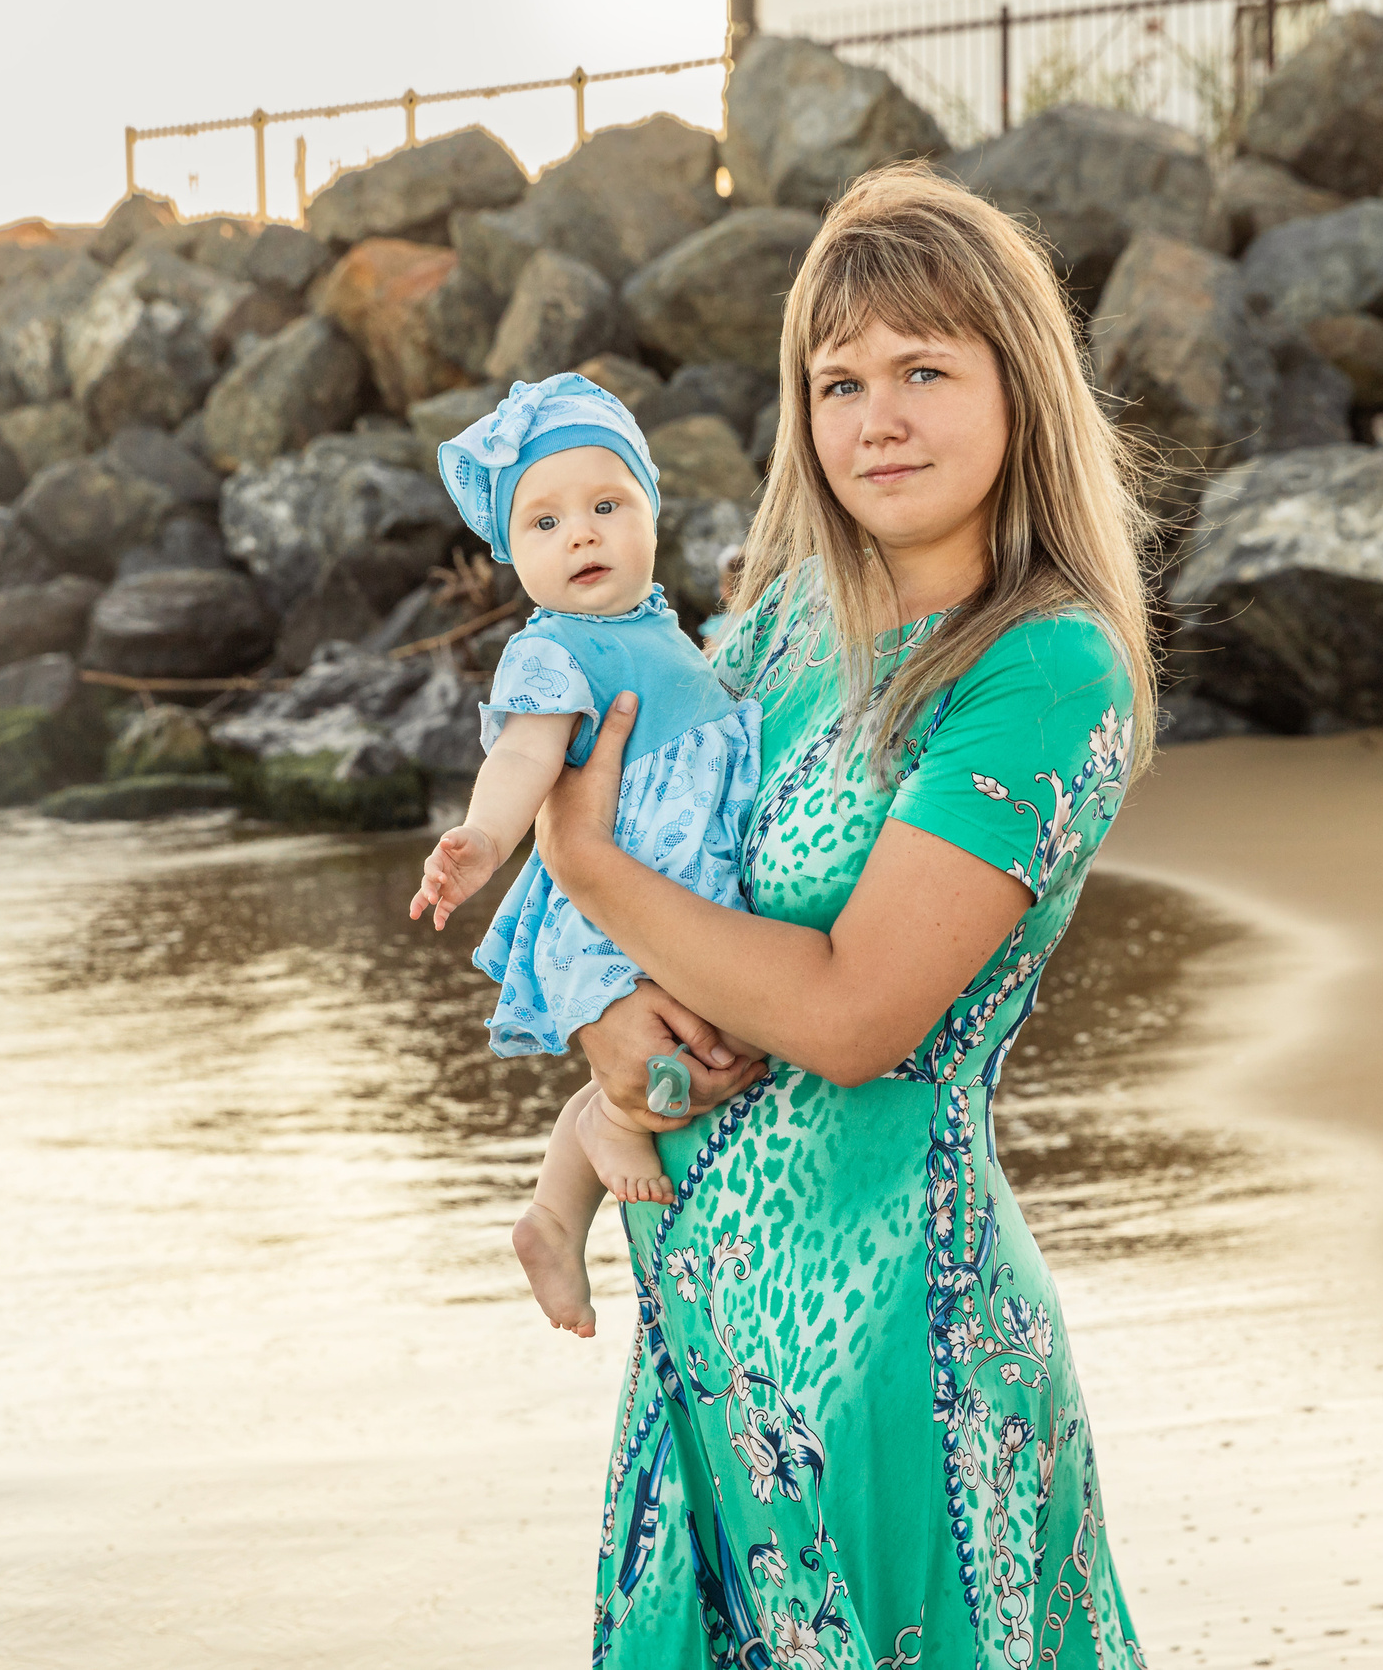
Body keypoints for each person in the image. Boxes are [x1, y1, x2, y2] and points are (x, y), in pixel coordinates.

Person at [531, 164, 1160, 1667]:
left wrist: (585, 864)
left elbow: (851, 1013)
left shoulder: (1046, 669)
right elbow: (674, 891)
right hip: (708, 1355)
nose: (878, 416)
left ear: (1021, 390)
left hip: (898, 1372)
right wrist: (604, 1015)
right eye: (840, 379)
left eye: (927, 370)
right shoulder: (776, 629)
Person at [407, 372, 762, 1340]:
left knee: (681, 1047)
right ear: (510, 553)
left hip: (669, 881)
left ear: (652, 510)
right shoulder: (552, 652)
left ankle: (554, 1217)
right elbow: (524, 752)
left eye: (607, 505)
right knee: (671, 1059)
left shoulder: (657, 628)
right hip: (625, 893)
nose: (582, 535)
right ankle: (580, 1179)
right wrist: (483, 840)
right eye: (545, 523)